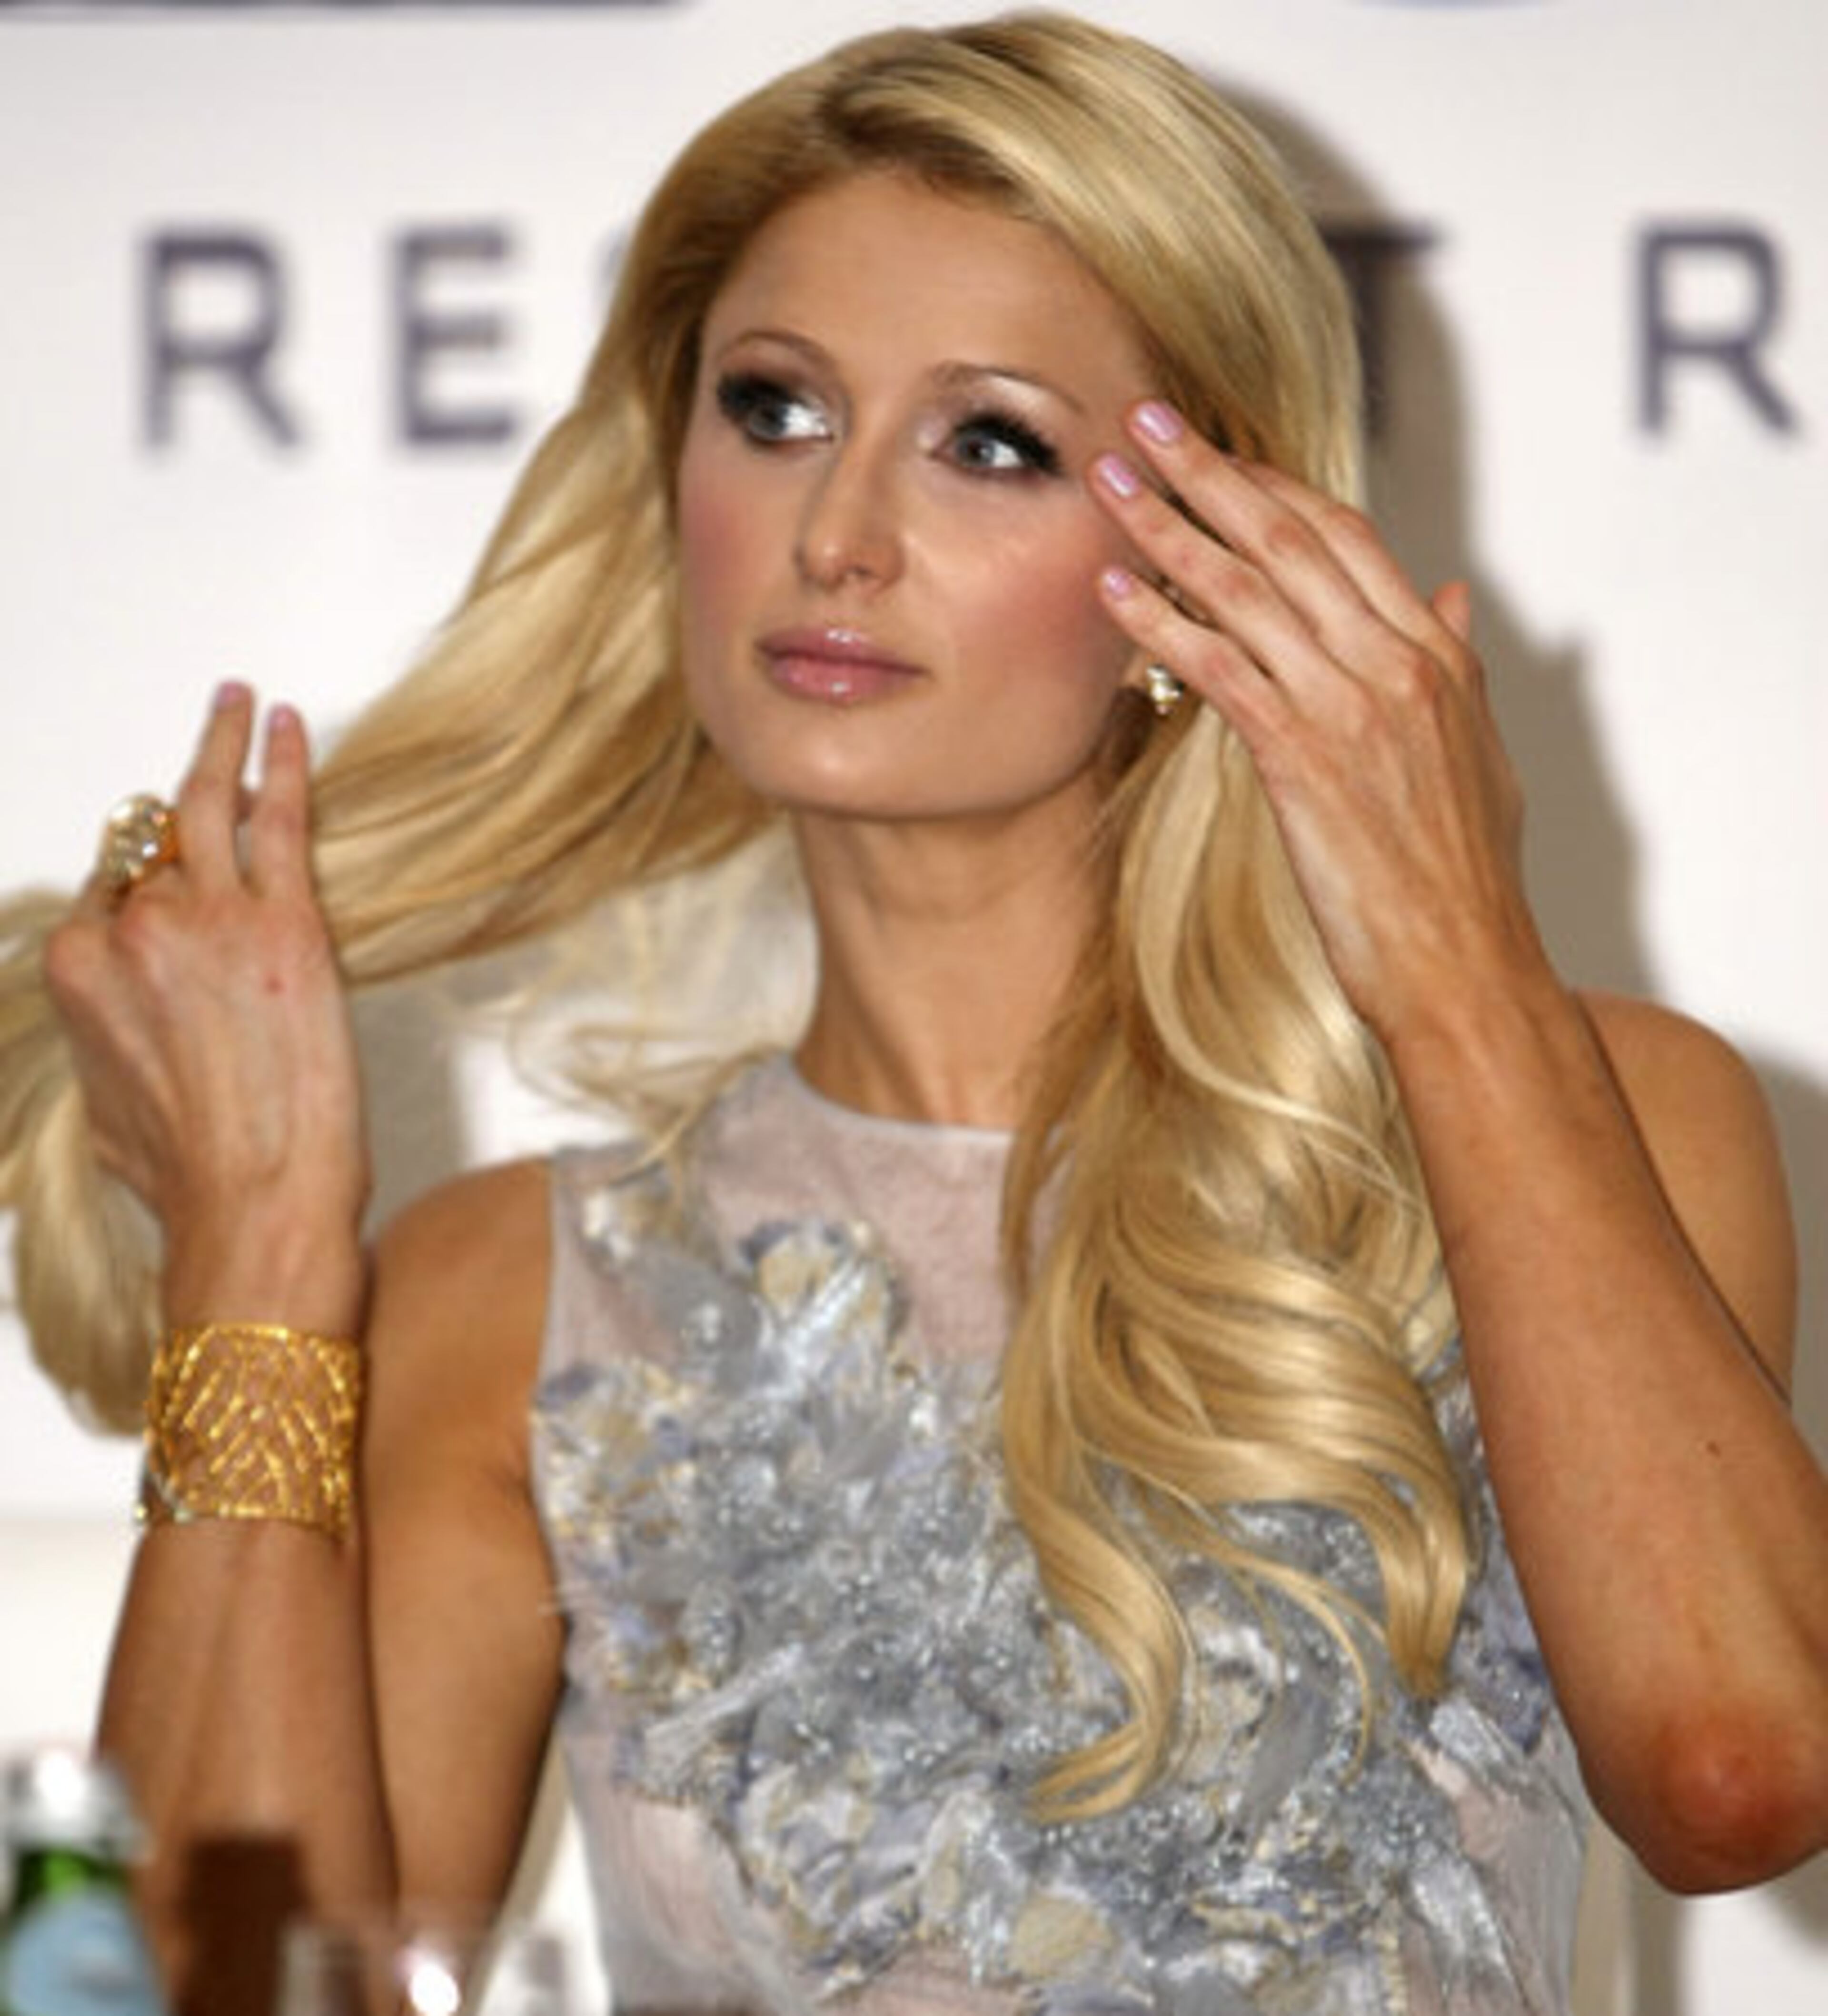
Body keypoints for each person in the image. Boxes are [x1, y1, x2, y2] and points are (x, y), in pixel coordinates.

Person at [3, 12, 1825, 2015]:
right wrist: (253, 1268)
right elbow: (203, 2002)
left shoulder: (1601, 1122)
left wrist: (1456, 964)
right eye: (775, 407)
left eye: (990, 443)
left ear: (1205, 561)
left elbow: (1739, 1777)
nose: (839, 530)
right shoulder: (512, 1298)